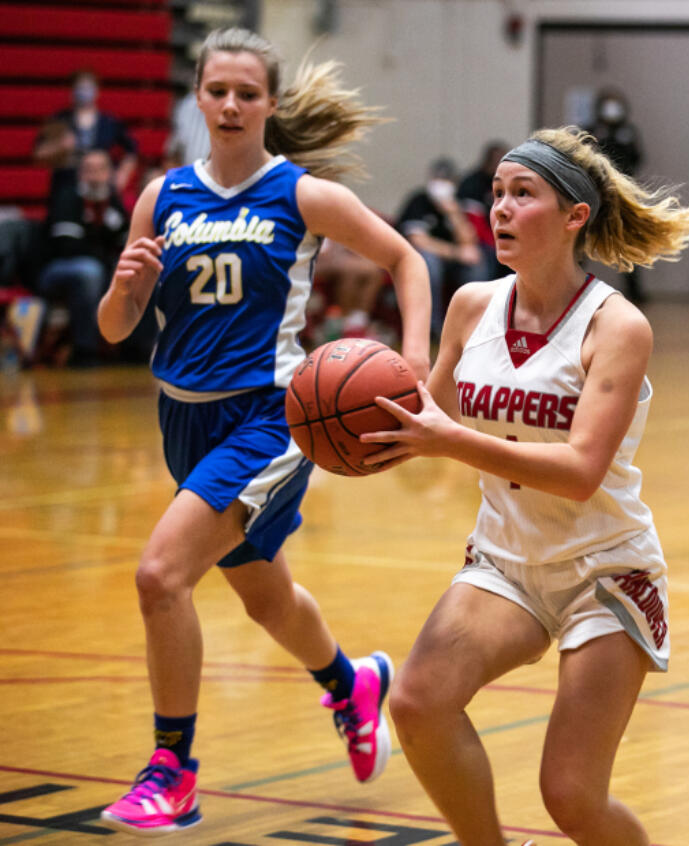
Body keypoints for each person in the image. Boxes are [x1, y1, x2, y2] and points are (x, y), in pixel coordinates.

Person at [94, 27, 431, 836]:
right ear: (198, 99)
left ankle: (171, 770)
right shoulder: (162, 196)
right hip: (182, 420)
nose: (233, 105)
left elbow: (407, 261)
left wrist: (416, 363)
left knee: (159, 576)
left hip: (268, 418)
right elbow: (113, 329)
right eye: (218, 91)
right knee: (265, 599)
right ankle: (352, 684)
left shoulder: (300, 194)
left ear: (270, 104)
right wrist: (124, 287)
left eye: (248, 93)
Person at [360, 126, 689, 846]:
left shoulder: (618, 325)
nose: (502, 210)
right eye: (496, 195)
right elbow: (430, 415)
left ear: (576, 216)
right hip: (506, 560)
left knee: (571, 798)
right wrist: (343, 423)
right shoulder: (472, 305)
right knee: (419, 701)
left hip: (604, 568)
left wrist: (445, 438)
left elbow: (581, 473)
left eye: (524, 194)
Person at [37, 147, 127, 366]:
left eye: (100, 170)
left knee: (135, 268)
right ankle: (85, 350)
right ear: (81, 174)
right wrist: (104, 247)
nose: (95, 176)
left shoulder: (112, 202)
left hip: (96, 266)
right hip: (52, 270)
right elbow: (68, 247)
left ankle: (134, 348)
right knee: (90, 271)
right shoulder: (68, 197)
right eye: (89, 170)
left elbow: (125, 242)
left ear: (109, 173)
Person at [397, 157, 486, 339]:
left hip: (452, 261)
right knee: (428, 262)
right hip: (426, 259)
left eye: (446, 180)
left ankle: (474, 325)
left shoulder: (457, 203)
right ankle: (431, 329)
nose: (441, 185)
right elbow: (417, 240)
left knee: (476, 264)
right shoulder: (419, 201)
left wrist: (453, 213)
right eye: (437, 179)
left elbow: (469, 241)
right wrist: (455, 252)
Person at [584, 88, 647, 303]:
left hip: (622, 193)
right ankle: (574, 286)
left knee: (627, 241)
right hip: (594, 191)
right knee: (583, 239)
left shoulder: (629, 131)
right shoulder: (590, 130)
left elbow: (638, 159)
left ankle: (634, 291)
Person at [34, 69, 140, 197]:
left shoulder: (108, 122)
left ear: (97, 91)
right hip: (67, 184)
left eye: (88, 87)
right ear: (72, 91)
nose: (84, 92)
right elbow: (39, 154)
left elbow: (132, 149)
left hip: (101, 186)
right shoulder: (60, 120)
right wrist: (60, 146)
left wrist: (122, 175)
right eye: (80, 88)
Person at [457, 140, 510, 279]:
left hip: (503, 235)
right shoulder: (473, 184)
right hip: (478, 240)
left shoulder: (510, 181)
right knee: (481, 261)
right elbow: (474, 225)